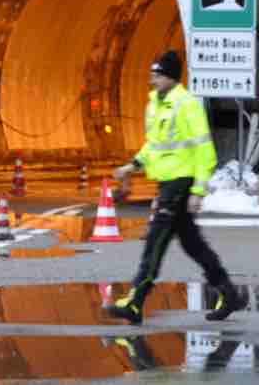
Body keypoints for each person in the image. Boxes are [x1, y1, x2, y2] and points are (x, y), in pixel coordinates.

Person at [104, 50, 245, 324]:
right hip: (166, 182)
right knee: (193, 244)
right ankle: (228, 293)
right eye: (152, 74)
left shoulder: (186, 104)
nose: (152, 79)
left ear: (170, 76)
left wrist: (198, 190)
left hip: (180, 184)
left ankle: (135, 301)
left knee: (155, 242)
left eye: (157, 75)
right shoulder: (156, 104)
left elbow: (205, 149)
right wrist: (132, 165)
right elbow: (154, 146)